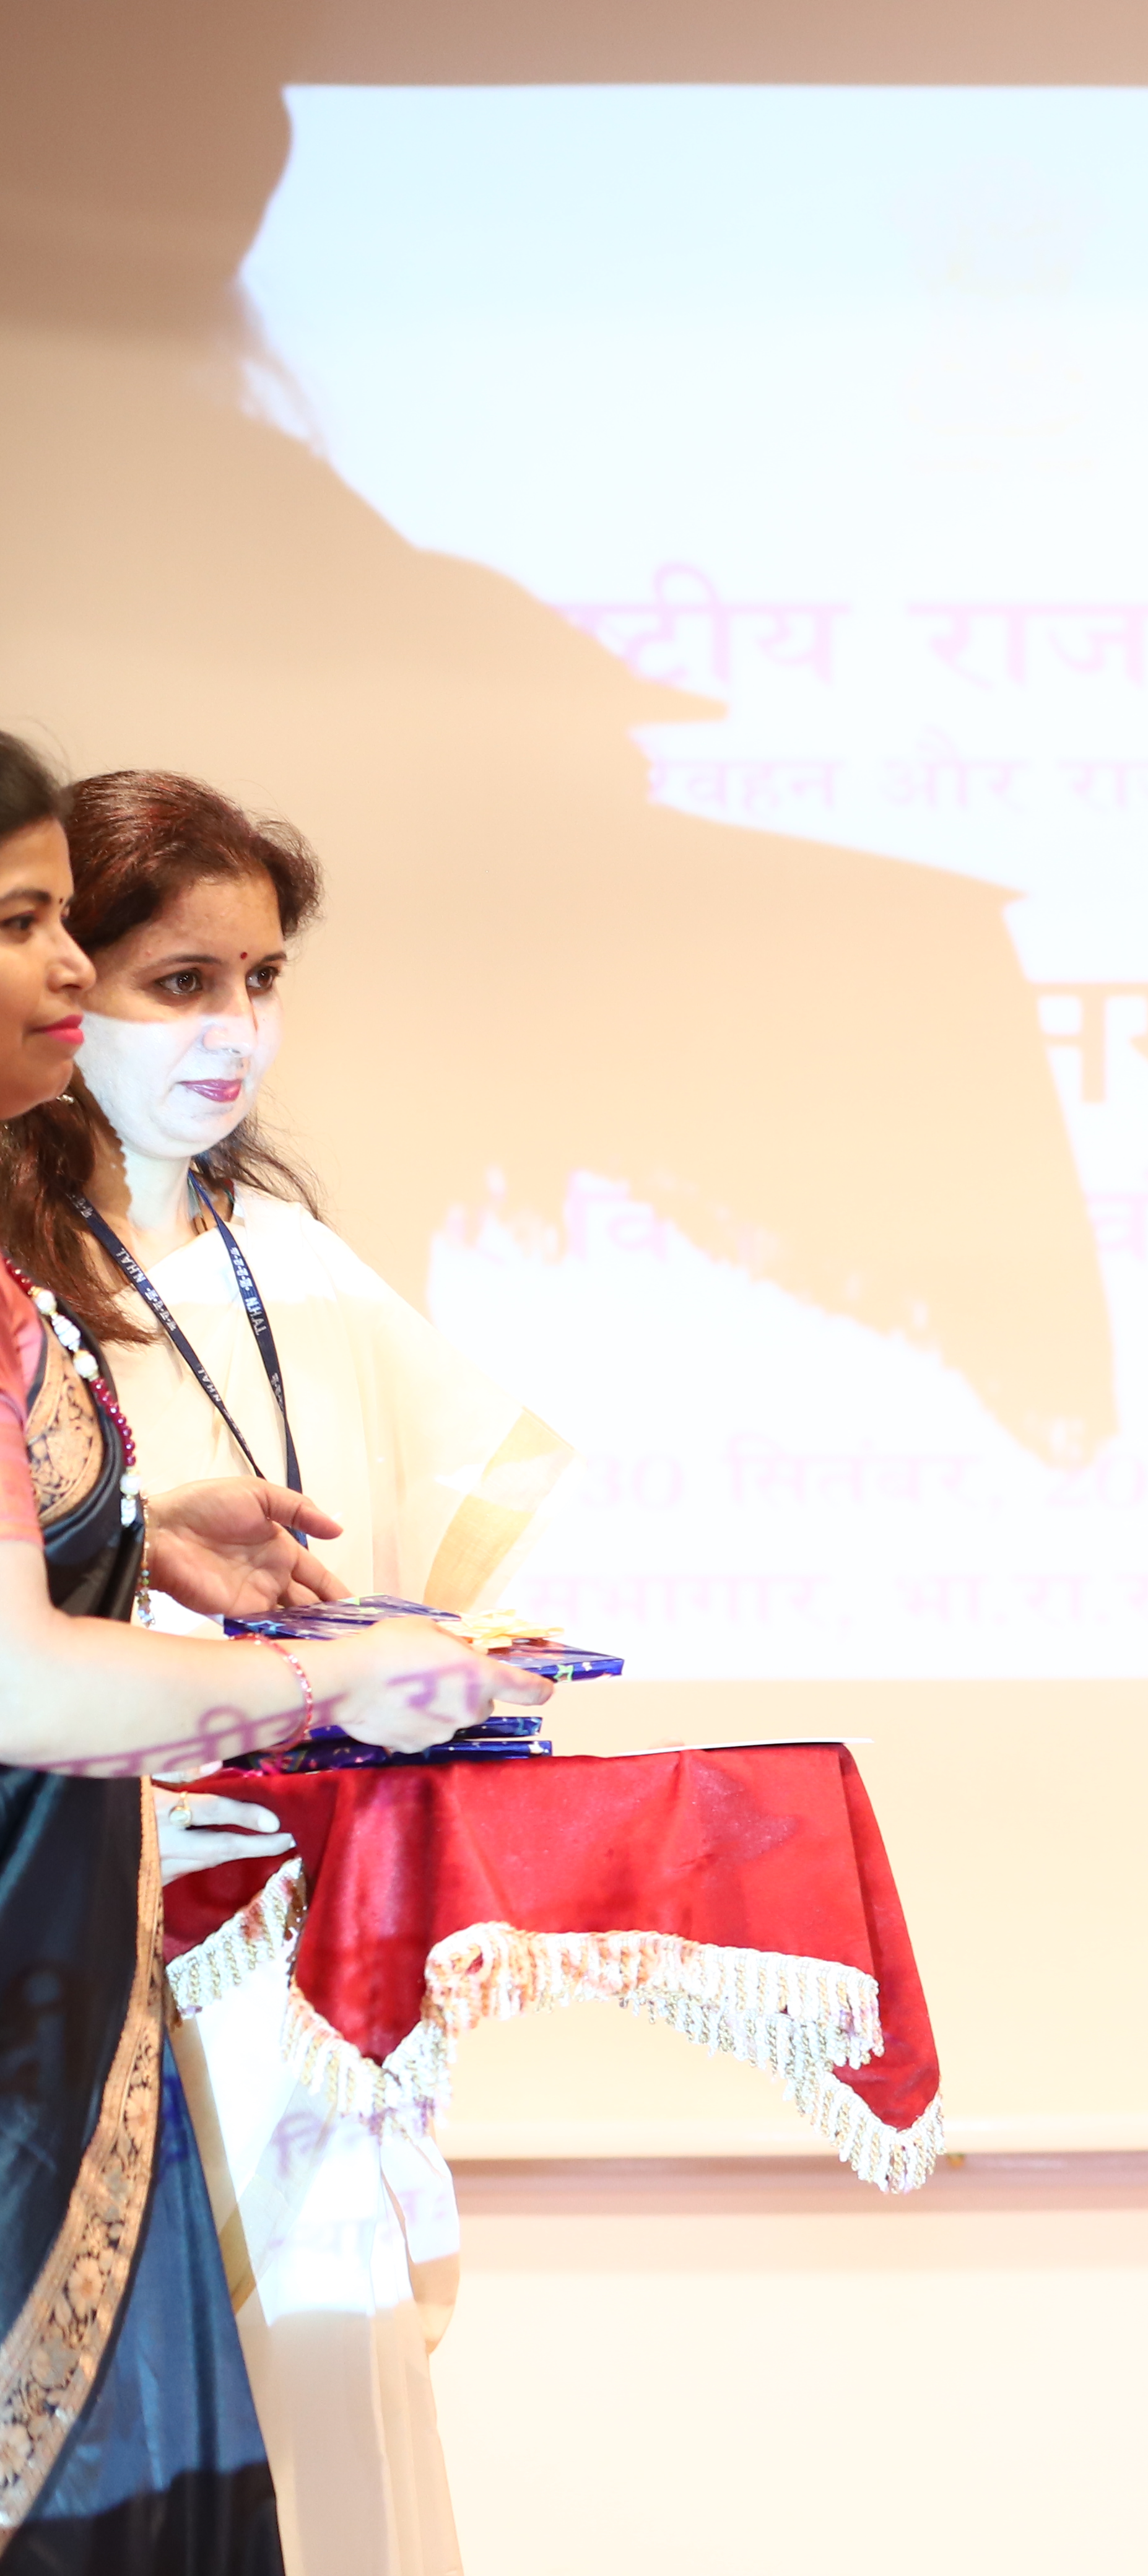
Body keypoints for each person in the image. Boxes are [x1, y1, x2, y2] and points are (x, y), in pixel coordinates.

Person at [2, 767, 578, 2576]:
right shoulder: (27, 1275)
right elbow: (27, 1675)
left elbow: (450, 1515)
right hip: (97, 1925)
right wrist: (331, 1685)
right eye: (175, 979)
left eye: (260, 980)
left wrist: (176, 1540)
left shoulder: (292, 1259)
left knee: (317, 2405)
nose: (230, 1027)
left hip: (276, 1931)